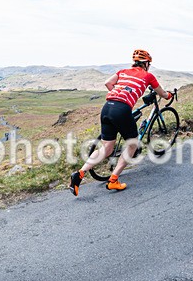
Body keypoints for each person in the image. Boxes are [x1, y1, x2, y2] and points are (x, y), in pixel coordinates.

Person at [69, 49, 173, 195]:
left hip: (107, 107)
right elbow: (162, 93)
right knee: (133, 144)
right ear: (146, 64)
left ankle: (79, 173)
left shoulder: (123, 72)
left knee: (106, 149)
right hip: (121, 109)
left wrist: (119, 94)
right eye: (149, 64)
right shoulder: (148, 76)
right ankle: (113, 180)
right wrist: (169, 95)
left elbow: (107, 83)